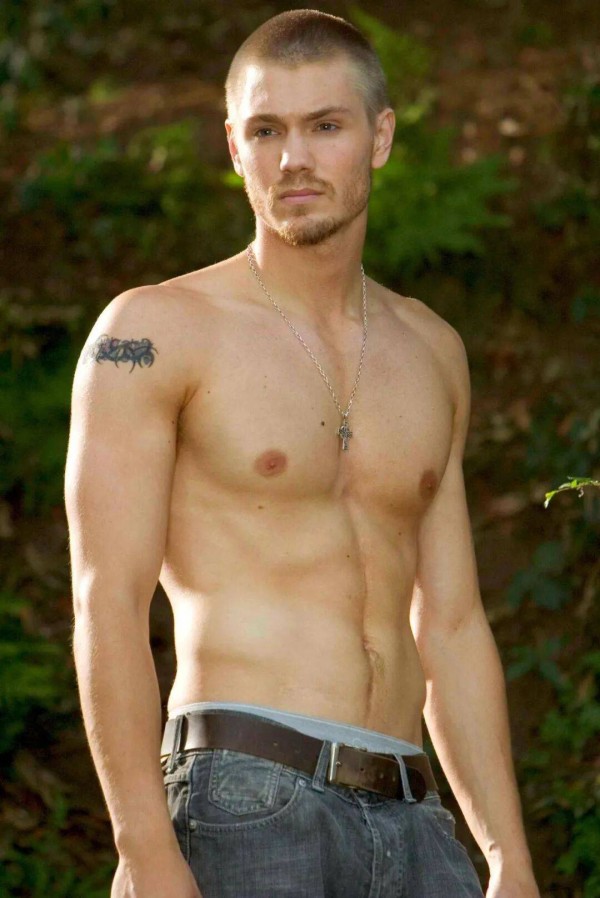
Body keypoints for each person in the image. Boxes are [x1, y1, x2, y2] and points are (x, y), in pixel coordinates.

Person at [64, 9, 541, 898]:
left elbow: (451, 623)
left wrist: (507, 854)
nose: (293, 159)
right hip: (244, 799)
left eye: (325, 126)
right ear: (233, 147)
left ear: (380, 138)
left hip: (416, 818)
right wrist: (147, 852)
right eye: (266, 131)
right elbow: (107, 603)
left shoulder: (432, 350)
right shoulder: (155, 331)